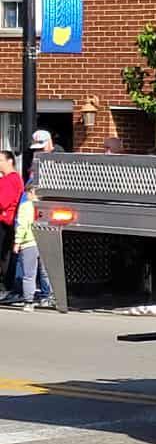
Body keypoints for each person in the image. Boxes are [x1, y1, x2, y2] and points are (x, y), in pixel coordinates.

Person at [24, 128, 56, 309]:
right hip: (35, 211)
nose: (39, 151)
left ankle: (51, 293)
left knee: (47, 258)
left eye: (42, 147)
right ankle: (45, 293)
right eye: (37, 147)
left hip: (48, 213)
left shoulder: (57, 158)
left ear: (50, 143)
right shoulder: (36, 160)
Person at [9, 184, 41, 310]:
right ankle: (47, 296)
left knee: (29, 274)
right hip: (44, 242)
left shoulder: (25, 206)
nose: (26, 195)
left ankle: (28, 301)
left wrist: (17, 242)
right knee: (45, 273)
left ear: (32, 192)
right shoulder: (46, 206)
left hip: (29, 242)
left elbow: (22, 225)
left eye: (27, 192)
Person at [0, 148, 22, 297]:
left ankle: (4, 287)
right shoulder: (6, 179)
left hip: (5, 222)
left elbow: (3, 202)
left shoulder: (11, 179)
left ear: (10, 161)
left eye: (0, 160)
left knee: (4, 256)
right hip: (5, 221)